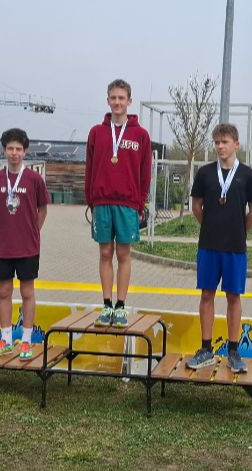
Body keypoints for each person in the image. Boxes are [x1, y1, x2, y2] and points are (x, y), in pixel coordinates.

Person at [185, 124, 252, 372]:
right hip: (208, 246)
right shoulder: (205, 173)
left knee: (233, 297)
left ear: (236, 144)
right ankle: (206, 349)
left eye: (225, 142)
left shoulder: (248, 175)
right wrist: (210, 227)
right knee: (206, 295)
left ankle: (234, 352)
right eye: (217, 142)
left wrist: (239, 231)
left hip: (235, 248)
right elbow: (196, 206)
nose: (220, 146)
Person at [84, 78, 152, 328]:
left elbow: (145, 173)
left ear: (129, 101)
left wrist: (140, 202)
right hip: (102, 202)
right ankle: (106, 305)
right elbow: (89, 169)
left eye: (121, 98)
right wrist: (91, 199)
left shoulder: (141, 135)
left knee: (124, 253)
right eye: (113, 98)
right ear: (108, 100)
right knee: (105, 253)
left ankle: (121, 306)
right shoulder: (96, 132)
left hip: (127, 204)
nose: (117, 102)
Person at [0, 128, 49, 360]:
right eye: (10, 148)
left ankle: (27, 342)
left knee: (27, 292)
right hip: (3, 246)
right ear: (4, 151)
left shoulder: (34, 179)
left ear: (25, 152)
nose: (14, 153)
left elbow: (42, 210)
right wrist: (7, 228)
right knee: (4, 291)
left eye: (18, 149)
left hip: (28, 246)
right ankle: (6, 340)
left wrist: (32, 231)